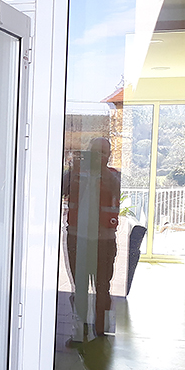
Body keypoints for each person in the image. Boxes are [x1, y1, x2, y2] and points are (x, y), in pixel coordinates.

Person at [62, 136, 120, 339]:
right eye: (94, 151)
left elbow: (115, 189)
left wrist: (100, 170)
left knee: (103, 287)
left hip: (104, 241)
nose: (98, 156)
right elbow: (61, 190)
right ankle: (79, 331)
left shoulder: (114, 175)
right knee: (80, 288)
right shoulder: (76, 172)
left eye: (102, 152)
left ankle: (101, 332)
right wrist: (74, 170)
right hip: (77, 238)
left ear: (109, 156)